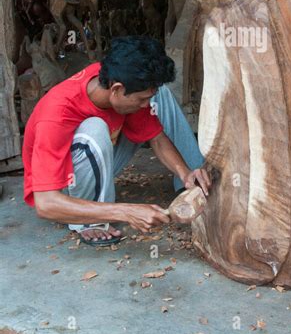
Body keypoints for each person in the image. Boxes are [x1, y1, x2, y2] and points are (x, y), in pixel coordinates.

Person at [23, 36, 210, 246]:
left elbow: (156, 138)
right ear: (116, 89)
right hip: (66, 186)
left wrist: (185, 173)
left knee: (160, 95)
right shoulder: (56, 114)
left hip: (99, 158)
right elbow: (45, 203)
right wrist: (126, 211)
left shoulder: (118, 80)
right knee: (95, 128)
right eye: (141, 99)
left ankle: (193, 187)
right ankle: (89, 222)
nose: (145, 105)